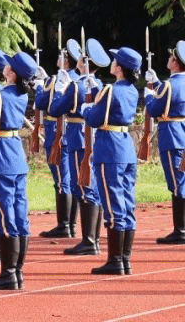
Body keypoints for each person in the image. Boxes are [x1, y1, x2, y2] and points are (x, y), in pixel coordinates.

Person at [0, 50, 36, 290]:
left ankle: (8, 273)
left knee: (4, 214)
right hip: (16, 156)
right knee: (20, 215)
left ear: (11, 73)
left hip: (1, 157)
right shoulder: (20, 95)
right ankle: (17, 271)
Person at [87, 46, 141, 275]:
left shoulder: (111, 90)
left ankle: (115, 260)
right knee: (127, 202)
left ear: (119, 68)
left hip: (110, 148)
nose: (112, 63)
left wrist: (87, 107)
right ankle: (125, 259)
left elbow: (94, 118)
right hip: (126, 146)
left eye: (115, 61)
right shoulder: (132, 90)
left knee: (112, 203)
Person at [54, 38, 109, 256]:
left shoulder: (76, 86)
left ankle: (89, 241)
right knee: (92, 186)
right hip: (95, 138)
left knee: (84, 186)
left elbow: (55, 109)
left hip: (79, 137)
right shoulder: (99, 85)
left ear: (85, 63)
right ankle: (94, 239)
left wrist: (59, 90)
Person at [144, 40, 185, 244]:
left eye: (171, 57)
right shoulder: (172, 84)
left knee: (177, 184)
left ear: (175, 63)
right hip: (182, 133)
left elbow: (154, 109)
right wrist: (157, 83)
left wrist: (149, 94)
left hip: (172, 135)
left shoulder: (169, 85)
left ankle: (181, 230)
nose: (168, 59)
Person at [34, 45, 75, 239]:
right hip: (69, 134)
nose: (58, 59)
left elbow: (44, 104)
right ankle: (70, 224)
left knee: (62, 181)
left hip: (58, 135)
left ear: (67, 61)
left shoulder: (62, 81)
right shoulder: (72, 80)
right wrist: (44, 82)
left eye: (61, 56)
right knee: (69, 180)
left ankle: (64, 225)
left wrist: (41, 86)